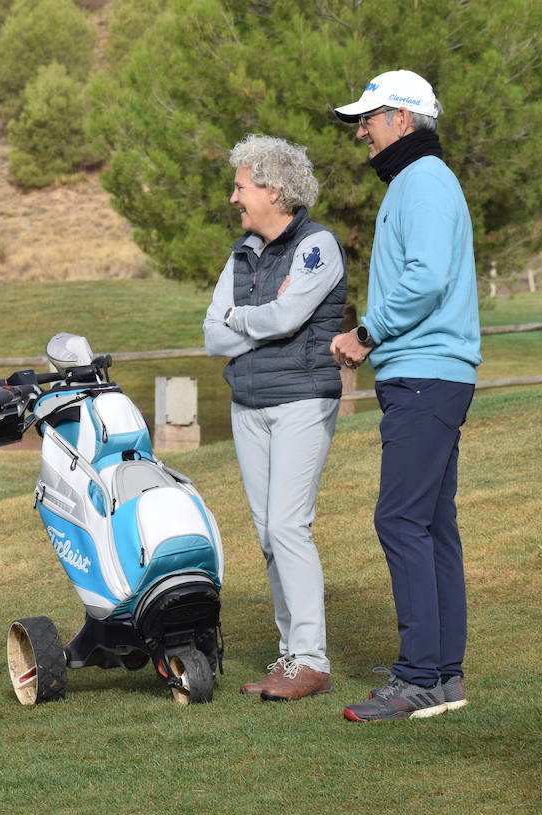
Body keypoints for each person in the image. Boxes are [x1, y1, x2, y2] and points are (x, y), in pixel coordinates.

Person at [330, 71, 482, 722]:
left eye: (369, 117)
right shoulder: (422, 181)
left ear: (402, 118)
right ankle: (442, 676)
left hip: (424, 372)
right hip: (433, 373)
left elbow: (424, 276)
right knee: (430, 524)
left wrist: (366, 333)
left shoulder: (422, 181)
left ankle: (419, 676)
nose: (361, 130)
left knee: (399, 520)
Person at [203, 135, 346, 702]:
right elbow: (213, 336)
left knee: (288, 526)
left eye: (241, 186)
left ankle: (311, 660)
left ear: (273, 188)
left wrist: (243, 317)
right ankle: (290, 657)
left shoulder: (317, 247)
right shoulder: (240, 254)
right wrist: (250, 317)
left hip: (302, 401)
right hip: (249, 406)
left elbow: (290, 317)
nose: (234, 196)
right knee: (267, 535)